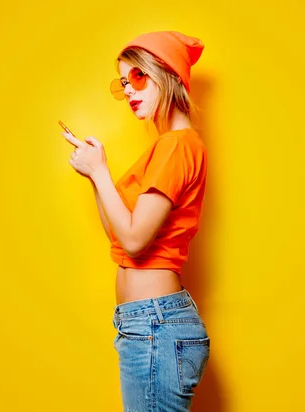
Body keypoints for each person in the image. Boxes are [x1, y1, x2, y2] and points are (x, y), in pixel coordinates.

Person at [62, 31, 210, 411]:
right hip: (146, 324)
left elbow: (134, 240)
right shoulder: (170, 147)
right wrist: (97, 176)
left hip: (155, 325)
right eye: (123, 82)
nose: (129, 90)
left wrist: (100, 173)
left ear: (169, 74)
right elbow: (118, 233)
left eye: (138, 78)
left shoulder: (176, 146)